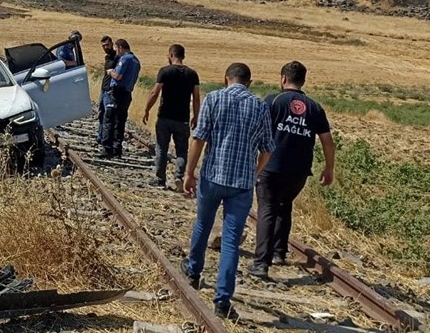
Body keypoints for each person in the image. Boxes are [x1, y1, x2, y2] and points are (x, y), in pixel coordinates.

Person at [182, 63, 274, 319]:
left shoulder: (213, 99)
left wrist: (189, 173)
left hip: (213, 176)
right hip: (242, 184)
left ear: (226, 79)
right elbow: (267, 148)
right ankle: (222, 300)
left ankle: (193, 271)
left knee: (203, 223)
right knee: (231, 241)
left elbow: (199, 138)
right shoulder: (259, 106)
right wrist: (254, 172)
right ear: (249, 82)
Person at [247, 61, 335, 278]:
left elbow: (255, 130)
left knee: (267, 209)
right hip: (299, 171)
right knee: (285, 206)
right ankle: (279, 252)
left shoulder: (273, 100)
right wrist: (329, 168)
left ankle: (261, 263)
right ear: (303, 81)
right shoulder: (314, 107)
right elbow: (327, 141)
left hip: (271, 166)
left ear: (283, 78)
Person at [141, 44, 201, 189]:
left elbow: (155, 92)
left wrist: (147, 109)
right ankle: (179, 176)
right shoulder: (192, 74)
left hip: (165, 117)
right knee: (182, 150)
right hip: (183, 118)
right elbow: (197, 98)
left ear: (171, 55)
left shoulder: (165, 71)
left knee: (161, 147)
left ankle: (160, 179)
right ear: (183, 56)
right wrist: (196, 116)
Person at [100, 39, 140, 158]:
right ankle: (117, 150)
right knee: (120, 121)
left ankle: (107, 149)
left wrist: (110, 72)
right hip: (127, 93)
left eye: (117, 49)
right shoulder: (136, 61)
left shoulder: (124, 59)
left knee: (109, 120)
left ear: (121, 48)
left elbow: (118, 76)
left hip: (116, 93)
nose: (116, 52)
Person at [95, 36, 116, 148]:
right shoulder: (107, 57)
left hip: (109, 90)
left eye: (107, 45)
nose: (105, 47)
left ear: (112, 43)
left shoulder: (116, 57)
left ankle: (105, 139)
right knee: (101, 113)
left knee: (107, 115)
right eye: (103, 46)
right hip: (104, 89)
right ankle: (100, 136)